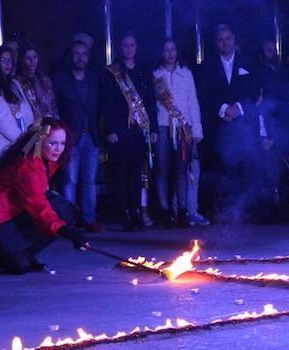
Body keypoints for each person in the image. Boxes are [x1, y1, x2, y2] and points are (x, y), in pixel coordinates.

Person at [0, 118, 89, 276]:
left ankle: (19, 254)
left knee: (63, 208)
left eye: (62, 143)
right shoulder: (27, 167)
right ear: (39, 142)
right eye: (53, 143)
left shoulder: (44, 161)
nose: (58, 149)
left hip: (13, 212)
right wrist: (69, 232)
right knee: (20, 265)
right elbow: (39, 206)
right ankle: (1, 254)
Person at [197, 24, 261, 222]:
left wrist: (239, 108)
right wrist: (223, 108)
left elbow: (255, 90)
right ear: (216, 43)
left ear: (234, 39)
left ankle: (243, 212)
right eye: (220, 39)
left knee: (244, 167)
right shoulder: (207, 66)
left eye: (228, 38)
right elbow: (204, 94)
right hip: (219, 124)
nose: (224, 42)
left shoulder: (249, 63)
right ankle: (221, 211)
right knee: (220, 169)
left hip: (243, 124)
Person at [101, 32, 158, 231]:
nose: (128, 49)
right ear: (120, 47)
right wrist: (110, 129)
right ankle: (124, 212)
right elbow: (106, 103)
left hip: (139, 130)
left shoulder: (143, 72)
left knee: (136, 173)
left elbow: (150, 101)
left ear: (136, 47)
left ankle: (136, 211)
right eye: (125, 45)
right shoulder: (111, 73)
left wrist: (153, 128)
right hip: (119, 130)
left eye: (132, 45)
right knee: (120, 174)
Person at [52, 39, 104, 232]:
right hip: (70, 137)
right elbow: (55, 107)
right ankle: (68, 222)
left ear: (88, 57)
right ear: (71, 56)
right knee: (69, 181)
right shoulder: (60, 80)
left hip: (91, 135)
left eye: (84, 54)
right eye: (76, 54)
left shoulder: (94, 78)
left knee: (89, 181)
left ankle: (90, 219)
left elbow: (98, 107)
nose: (80, 57)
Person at [153, 38, 204, 227]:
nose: (170, 53)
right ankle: (165, 210)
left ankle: (182, 210)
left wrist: (196, 128)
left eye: (173, 49)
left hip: (183, 127)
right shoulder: (156, 75)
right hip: (162, 126)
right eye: (166, 49)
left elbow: (193, 102)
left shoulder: (186, 74)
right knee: (161, 170)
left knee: (182, 171)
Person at [0, 46, 35, 167]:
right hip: (1, 149)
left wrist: (30, 134)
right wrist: (22, 140)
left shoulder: (15, 83)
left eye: (10, 60)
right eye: (3, 60)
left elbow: (26, 109)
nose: (7, 64)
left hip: (20, 145)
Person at [15, 42, 59, 120]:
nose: (32, 61)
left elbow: (53, 106)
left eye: (35, 57)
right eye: (28, 58)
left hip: (49, 123)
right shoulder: (18, 82)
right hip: (31, 126)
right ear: (22, 60)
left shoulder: (45, 80)